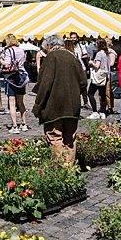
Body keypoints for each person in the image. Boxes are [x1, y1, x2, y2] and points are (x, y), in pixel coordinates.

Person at [32, 32, 87, 166]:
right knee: (70, 138)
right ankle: (70, 168)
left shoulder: (51, 57)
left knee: (55, 137)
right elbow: (83, 82)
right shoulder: (72, 57)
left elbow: (45, 85)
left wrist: (38, 106)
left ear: (50, 46)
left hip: (54, 107)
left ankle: (62, 171)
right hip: (72, 107)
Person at [0, 33, 28, 131]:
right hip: (21, 77)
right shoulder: (22, 50)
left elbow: (7, 64)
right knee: (21, 102)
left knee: (12, 102)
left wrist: (0, 60)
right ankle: (24, 124)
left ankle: (14, 126)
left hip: (12, 77)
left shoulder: (9, 50)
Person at [88, 41, 111, 117]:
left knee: (90, 93)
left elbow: (97, 66)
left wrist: (91, 63)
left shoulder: (99, 54)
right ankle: (103, 112)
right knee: (103, 94)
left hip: (98, 76)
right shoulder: (107, 54)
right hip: (104, 76)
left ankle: (95, 112)